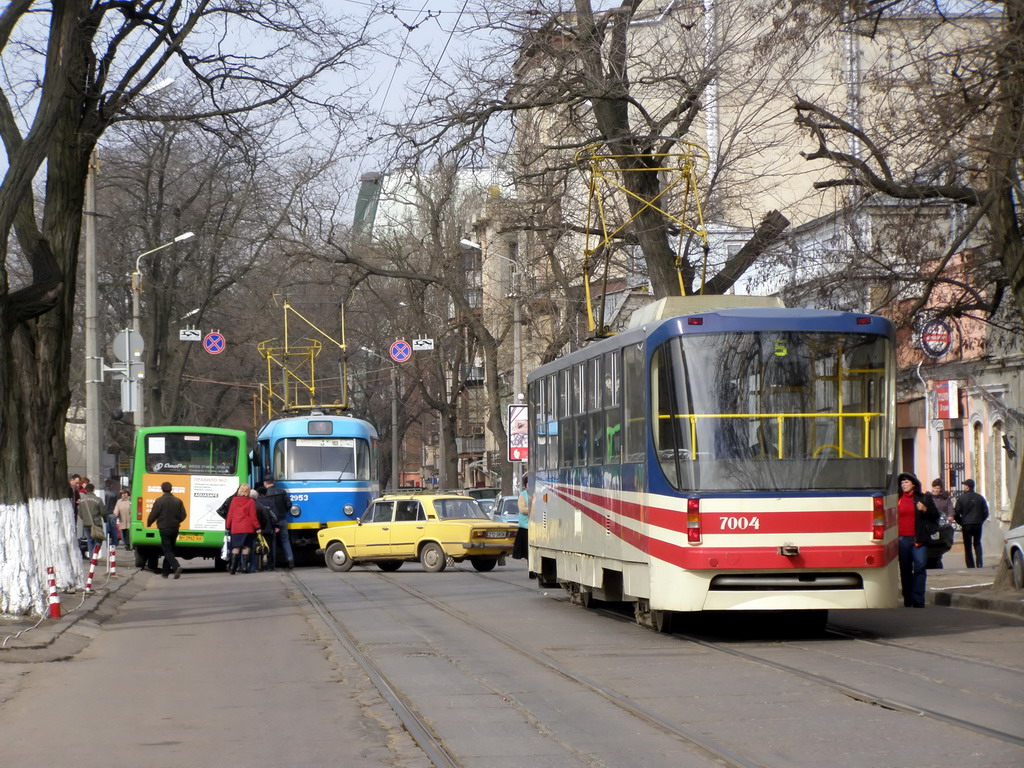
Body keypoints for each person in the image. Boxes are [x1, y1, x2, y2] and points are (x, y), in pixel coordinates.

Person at [896, 472, 940, 608]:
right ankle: (908, 598)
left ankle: (918, 599)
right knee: (905, 569)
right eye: (902, 483)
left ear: (914, 484)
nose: (904, 485)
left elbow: (935, 515)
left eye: (906, 482)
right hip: (902, 539)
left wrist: (925, 509)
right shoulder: (897, 499)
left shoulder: (923, 498)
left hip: (918, 539)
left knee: (920, 567)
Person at [146, 481, 186, 579]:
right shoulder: (178, 501)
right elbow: (183, 515)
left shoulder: (159, 501)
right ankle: (165, 573)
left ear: (162, 489)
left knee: (167, 550)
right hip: (175, 527)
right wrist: (177, 521)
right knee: (170, 550)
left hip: (164, 528)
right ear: (171, 489)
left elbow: (153, 514)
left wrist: (149, 523)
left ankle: (176, 566)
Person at [224, 483, 260, 575]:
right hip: (247, 528)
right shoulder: (251, 501)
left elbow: (230, 515)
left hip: (236, 528)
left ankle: (232, 567)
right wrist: (257, 527)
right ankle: (244, 567)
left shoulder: (234, 501)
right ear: (248, 491)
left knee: (235, 547)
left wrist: (227, 526)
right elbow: (253, 516)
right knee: (246, 547)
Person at [954, 478, 989, 568]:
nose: (964, 487)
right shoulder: (980, 497)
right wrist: (981, 520)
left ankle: (970, 565)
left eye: (965, 486)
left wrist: (960, 522)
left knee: (968, 545)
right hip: (977, 524)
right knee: (977, 543)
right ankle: (979, 563)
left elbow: (956, 512)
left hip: (966, 524)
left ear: (968, 487)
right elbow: (986, 512)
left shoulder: (961, 498)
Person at [263, 475, 294, 570]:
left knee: (273, 542)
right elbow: (289, 505)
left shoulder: (265, 494)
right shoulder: (282, 492)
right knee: (285, 540)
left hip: (271, 522)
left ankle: (273, 563)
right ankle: (290, 559)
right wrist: (283, 512)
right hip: (283, 519)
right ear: (273, 482)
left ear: (265, 483)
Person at [77, 483, 107, 558]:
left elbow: (80, 513)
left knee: (90, 541)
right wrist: (105, 519)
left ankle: (91, 557)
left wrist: (85, 519)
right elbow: (103, 512)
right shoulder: (98, 500)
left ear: (86, 490)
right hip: (96, 524)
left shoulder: (82, 501)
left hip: (86, 524)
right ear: (93, 489)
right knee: (99, 539)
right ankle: (95, 555)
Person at [251, 487, 276, 573]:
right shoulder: (270, 502)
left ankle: (259, 566)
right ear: (266, 494)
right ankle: (270, 565)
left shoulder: (255, 503)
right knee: (269, 547)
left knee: (259, 548)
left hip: (258, 529)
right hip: (268, 529)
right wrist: (275, 526)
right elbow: (274, 517)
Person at [512, 473, 530, 561]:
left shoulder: (538, 493)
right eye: (528, 483)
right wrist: (535, 509)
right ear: (525, 485)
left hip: (536, 526)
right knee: (527, 551)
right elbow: (522, 509)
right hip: (525, 527)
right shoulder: (523, 495)